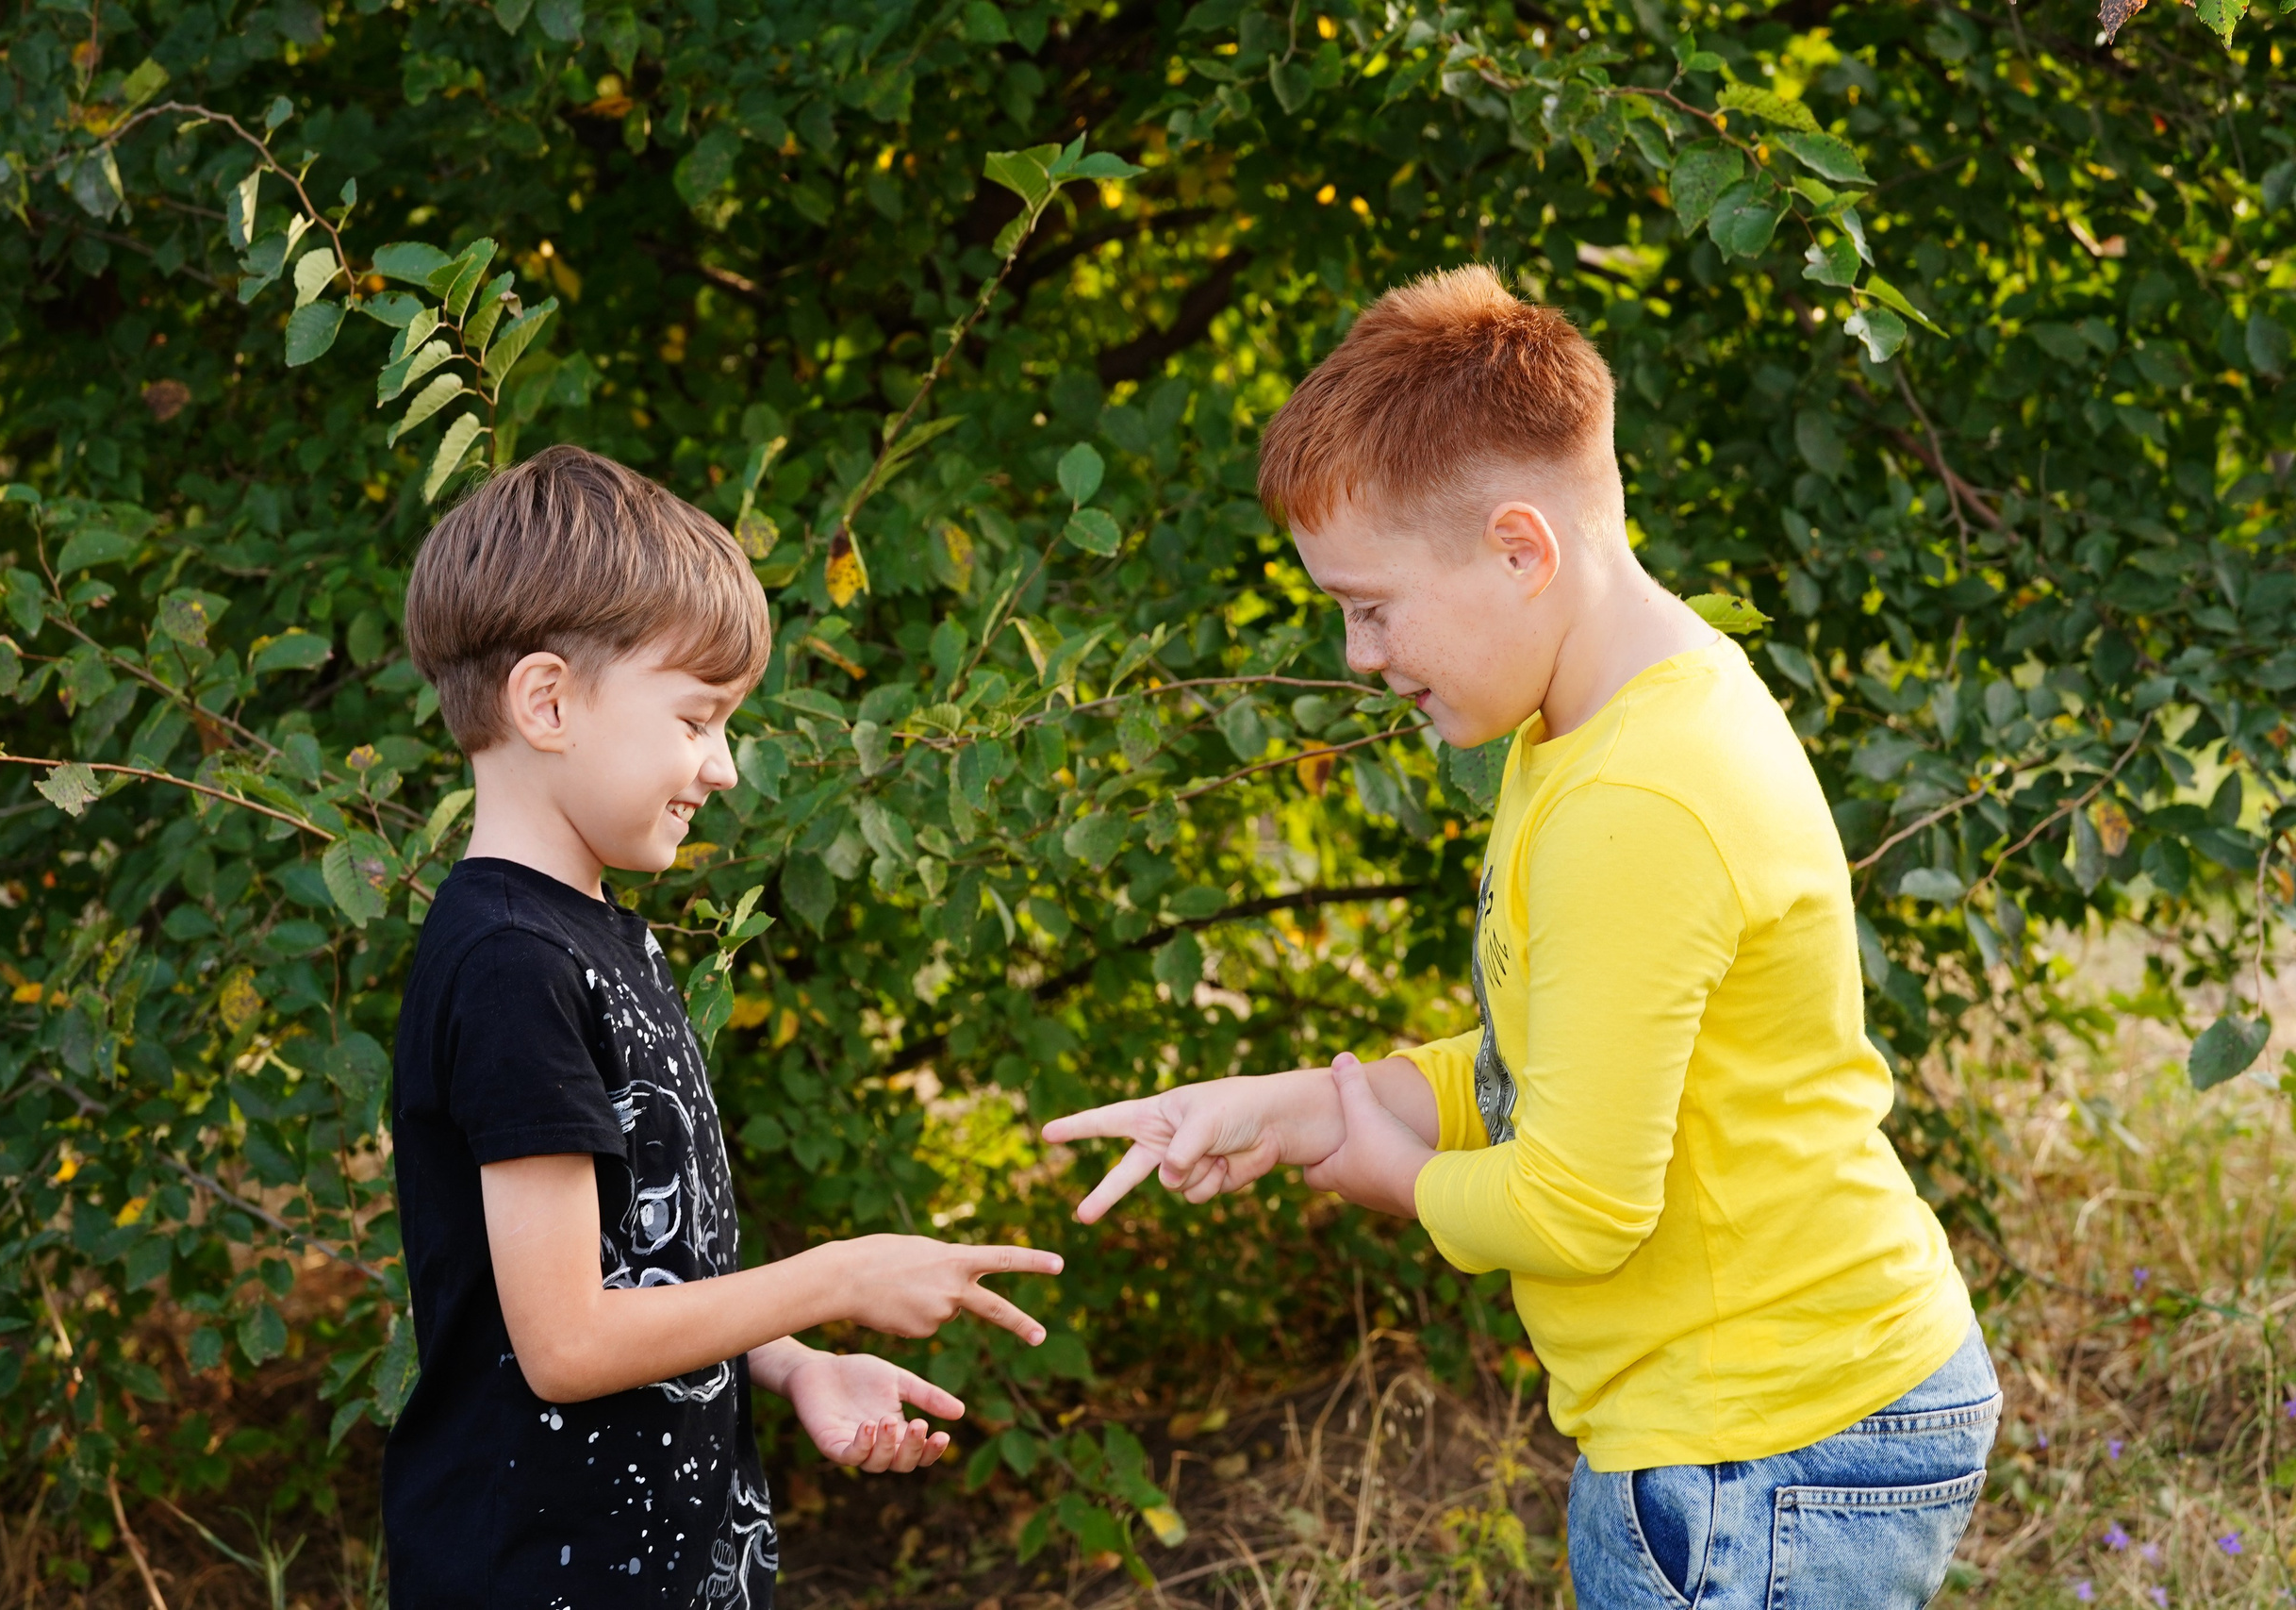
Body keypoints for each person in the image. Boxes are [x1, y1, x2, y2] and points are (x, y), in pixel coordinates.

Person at [1043, 268, 1998, 1608]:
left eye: (1371, 604)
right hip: (1766, 1413)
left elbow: (1577, 1205)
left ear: (1518, 549)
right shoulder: (1597, 724)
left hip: (1766, 1441)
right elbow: (1561, 1053)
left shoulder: (1635, 797)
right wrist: (1316, 1104)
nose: (1359, 653)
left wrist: (1395, 1174)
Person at [386, 446, 1062, 1607]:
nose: (726, 768)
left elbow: (642, 1268)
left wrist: (791, 1363)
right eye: (697, 720)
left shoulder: (603, 938)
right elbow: (567, 1343)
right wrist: (839, 1275)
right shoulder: (509, 966)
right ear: (548, 702)